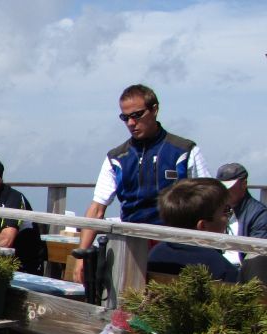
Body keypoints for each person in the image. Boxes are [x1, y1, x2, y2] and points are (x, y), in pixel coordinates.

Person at [75, 84, 210, 282]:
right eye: (125, 117)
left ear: (154, 109)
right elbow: (97, 208)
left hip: (175, 246)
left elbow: (208, 201)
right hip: (130, 245)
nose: (131, 122)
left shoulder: (185, 151)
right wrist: (81, 254)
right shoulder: (117, 157)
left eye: (137, 115)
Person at [146, 178, 237, 282]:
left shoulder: (154, 255)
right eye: (226, 211)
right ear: (202, 226)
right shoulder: (223, 269)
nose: (228, 217)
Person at [217, 162, 267, 242]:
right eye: (221, 187)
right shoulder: (214, 209)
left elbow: (257, 250)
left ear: (244, 184)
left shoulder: (259, 214)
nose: (224, 191)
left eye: (228, 187)